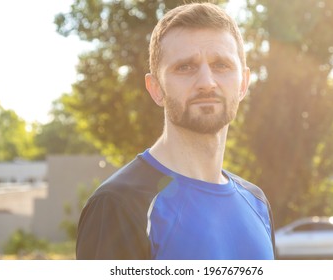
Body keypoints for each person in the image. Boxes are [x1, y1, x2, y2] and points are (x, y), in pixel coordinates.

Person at [76, 2, 275, 260]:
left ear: (243, 83)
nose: (206, 82)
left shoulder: (257, 202)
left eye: (222, 65)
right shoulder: (118, 204)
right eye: (185, 67)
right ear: (156, 88)